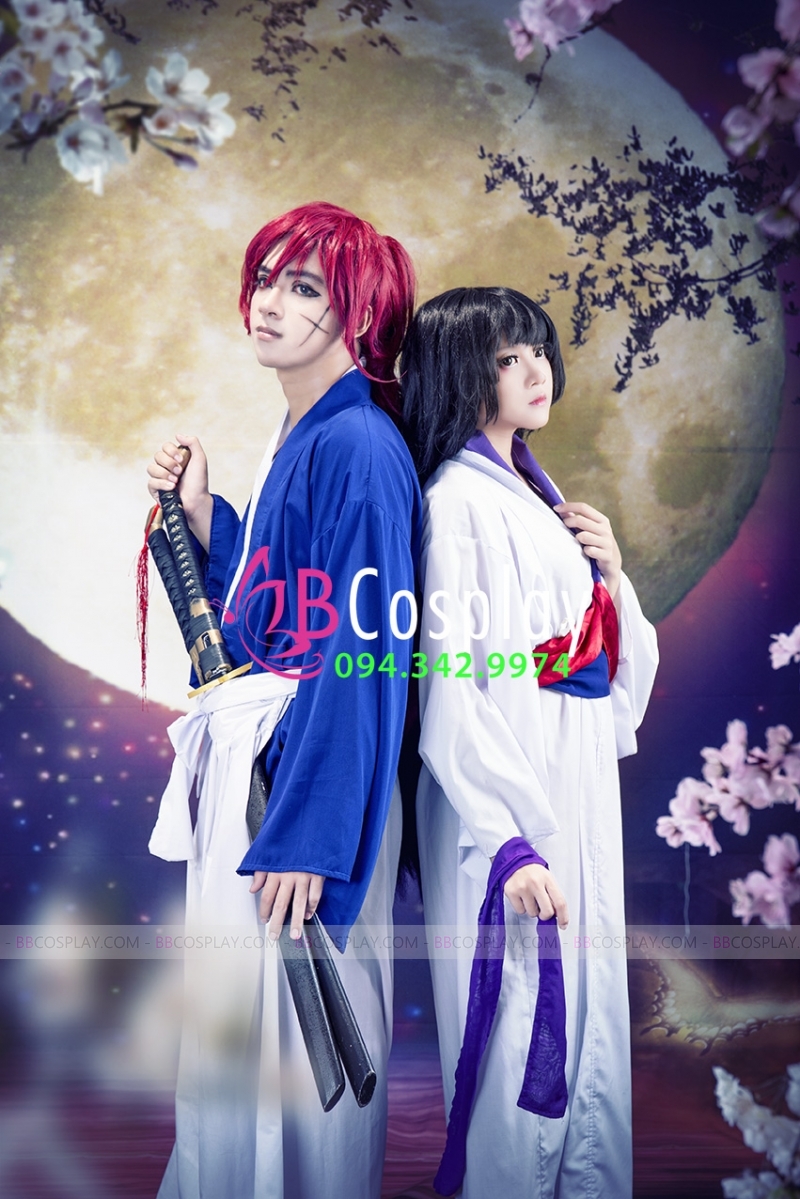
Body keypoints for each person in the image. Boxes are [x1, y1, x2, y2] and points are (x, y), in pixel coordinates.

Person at [146, 201, 422, 1199]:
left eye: (303, 286)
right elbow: (277, 611)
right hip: (275, 760)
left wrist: (310, 830)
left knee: (296, 1050)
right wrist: (204, 519)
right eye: (267, 277)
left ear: (361, 313)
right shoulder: (310, 430)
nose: (269, 300)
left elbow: (363, 652)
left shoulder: (359, 446)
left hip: (305, 779)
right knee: (242, 1035)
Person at [401, 287, 658, 1198]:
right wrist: (506, 837)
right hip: (511, 811)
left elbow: (607, 678)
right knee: (518, 1027)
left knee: (583, 1021)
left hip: (573, 787)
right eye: (507, 358)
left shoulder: (540, 503)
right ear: (461, 373)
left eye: (538, 349)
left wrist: (612, 575)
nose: (535, 370)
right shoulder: (455, 503)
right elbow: (450, 684)